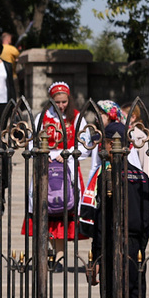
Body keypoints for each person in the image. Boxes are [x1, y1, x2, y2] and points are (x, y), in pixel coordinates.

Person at [80, 121, 149, 298]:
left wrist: (98, 256)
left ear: (111, 144)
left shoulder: (106, 175)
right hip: (135, 251)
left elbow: (101, 223)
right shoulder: (141, 176)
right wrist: (139, 251)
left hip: (112, 248)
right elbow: (146, 223)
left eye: (106, 143)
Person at [23, 82, 95, 266]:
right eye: (58, 102)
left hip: (68, 170)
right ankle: (48, 252)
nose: (61, 105)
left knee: (64, 210)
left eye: (64, 101)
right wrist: (45, 154)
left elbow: (85, 146)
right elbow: (32, 143)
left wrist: (68, 153)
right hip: (45, 170)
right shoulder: (42, 118)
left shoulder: (77, 118)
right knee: (45, 210)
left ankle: (61, 256)